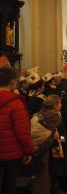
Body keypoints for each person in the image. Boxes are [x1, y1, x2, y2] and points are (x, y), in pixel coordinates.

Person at [0, 66, 35, 194]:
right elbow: (22, 132)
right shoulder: (15, 102)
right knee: (9, 185)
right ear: (12, 82)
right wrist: (29, 151)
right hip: (12, 153)